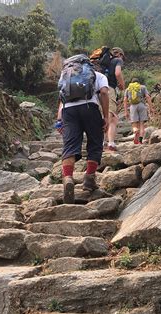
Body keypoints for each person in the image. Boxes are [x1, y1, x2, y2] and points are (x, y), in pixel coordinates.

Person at [56, 56, 109, 204]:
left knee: (70, 146)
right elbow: (104, 93)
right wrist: (106, 116)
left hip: (68, 111)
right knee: (95, 142)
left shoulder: (66, 76)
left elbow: (61, 98)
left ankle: (67, 178)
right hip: (89, 108)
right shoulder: (98, 75)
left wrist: (60, 120)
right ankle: (89, 179)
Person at [104, 47, 126, 152]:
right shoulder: (118, 60)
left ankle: (101, 142)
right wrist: (122, 85)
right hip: (108, 89)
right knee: (111, 116)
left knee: (101, 116)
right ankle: (111, 143)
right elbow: (117, 73)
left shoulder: (103, 63)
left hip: (96, 90)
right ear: (120, 54)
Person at [124, 78, 154, 144]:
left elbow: (125, 100)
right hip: (142, 105)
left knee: (134, 124)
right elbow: (148, 97)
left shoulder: (128, 89)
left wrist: (126, 111)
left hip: (132, 106)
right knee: (141, 124)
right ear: (138, 83)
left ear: (131, 83)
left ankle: (135, 131)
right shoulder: (143, 87)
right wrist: (151, 108)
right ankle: (140, 140)